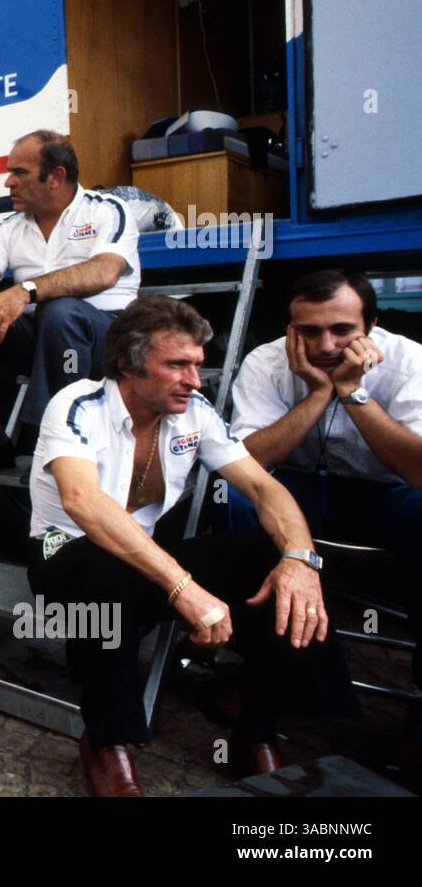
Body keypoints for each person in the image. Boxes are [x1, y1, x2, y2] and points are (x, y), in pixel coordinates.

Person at [28, 295, 357, 796]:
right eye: (176, 365)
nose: (195, 380)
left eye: (197, 365)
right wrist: (186, 590)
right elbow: (83, 503)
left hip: (144, 561)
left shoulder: (193, 412)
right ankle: (107, 741)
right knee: (105, 571)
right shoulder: (77, 404)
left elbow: (264, 488)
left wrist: (300, 559)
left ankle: (256, 729)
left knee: (263, 555)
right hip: (65, 555)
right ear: (129, 364)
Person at [227, 268, 422, 759]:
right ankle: (258, 714)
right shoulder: (265, 362)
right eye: (308, 331)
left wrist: (352, 392)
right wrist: (318, 393)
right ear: (290, 328)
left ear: (371, 327)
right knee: (237, 498)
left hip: (386, 494)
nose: (326, 344)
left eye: (342, 331)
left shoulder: (409, 361)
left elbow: (418, 471)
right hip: (296, 491)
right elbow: (248, 463)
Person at [0, 129, 141, 480]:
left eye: (19, 173)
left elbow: (105, 271)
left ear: (56, 177)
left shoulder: (107, 210)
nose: (8, 183)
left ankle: (56, 446)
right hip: (43, 336)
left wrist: (24, 291)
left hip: (105, 336)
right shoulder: (11, 226)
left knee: (59, 310)